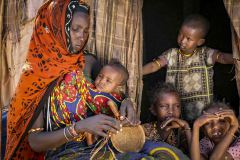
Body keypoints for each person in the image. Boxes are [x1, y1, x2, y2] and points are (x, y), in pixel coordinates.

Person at [5, 1, 137, 159]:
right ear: (57, 27)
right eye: (75, 29)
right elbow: (35, 142)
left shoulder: (86, 61)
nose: (82, 37)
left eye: (86, 30)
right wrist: (79, 127)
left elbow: (113, 81)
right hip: (65, 152)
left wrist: (127, 102)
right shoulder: (36, 76)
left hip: (100, 144)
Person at [143, 14, 234, 123]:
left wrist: (237, 58)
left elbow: (223, 58)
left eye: (188, 38)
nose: (182, 41)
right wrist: (136, 72)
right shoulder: (171, 54)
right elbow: (154, 65)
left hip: (202, 114)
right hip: (176, 113)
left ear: (199, 42)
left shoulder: (205, 54)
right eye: (181, 34)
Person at [142, 83, 191, 154]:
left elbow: (195, 157)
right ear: (153, 110)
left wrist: (186, 126)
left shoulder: (182, 132)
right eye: (164, 106)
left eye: (177, 106)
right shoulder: (143, 131)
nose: (171, 111)